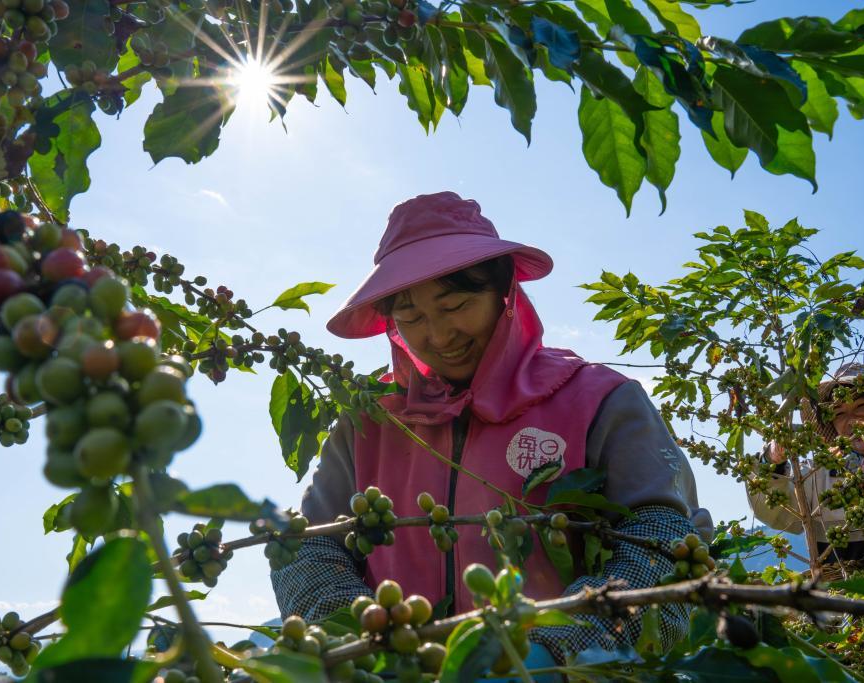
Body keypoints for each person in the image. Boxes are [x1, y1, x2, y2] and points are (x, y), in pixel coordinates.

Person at [270, 192, 713, 667]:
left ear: (504, 292)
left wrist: (556, 652)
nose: (438, 336)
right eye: (411, 317)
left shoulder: (600, 400)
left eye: (456, 304)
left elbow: (662, 535)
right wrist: (370, 640)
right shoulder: (369, 423)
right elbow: (308, 547)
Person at [748, 363, 864, 570]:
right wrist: (771, 460)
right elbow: (775, 513)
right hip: (839, 590)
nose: (852, 421)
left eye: (862, 406)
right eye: (839, 413)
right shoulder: (819, 474)